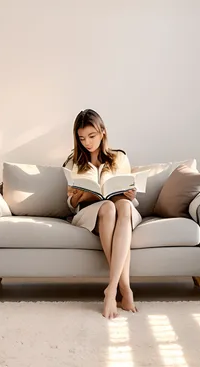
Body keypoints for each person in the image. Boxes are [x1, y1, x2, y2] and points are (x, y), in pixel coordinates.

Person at [64, 109, 141, 319]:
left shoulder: (119, 157)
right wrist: (78, 197)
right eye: (82, 138)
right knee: (107, 207)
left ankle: (112, 289)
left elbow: (129, 192)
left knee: (123, 206)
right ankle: (124, 289)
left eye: (91, 136)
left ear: (103, 132)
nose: (87, 142)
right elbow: (70, 204)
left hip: (121, 207)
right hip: (91, 212)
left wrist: (130, 193)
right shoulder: (73, 162)